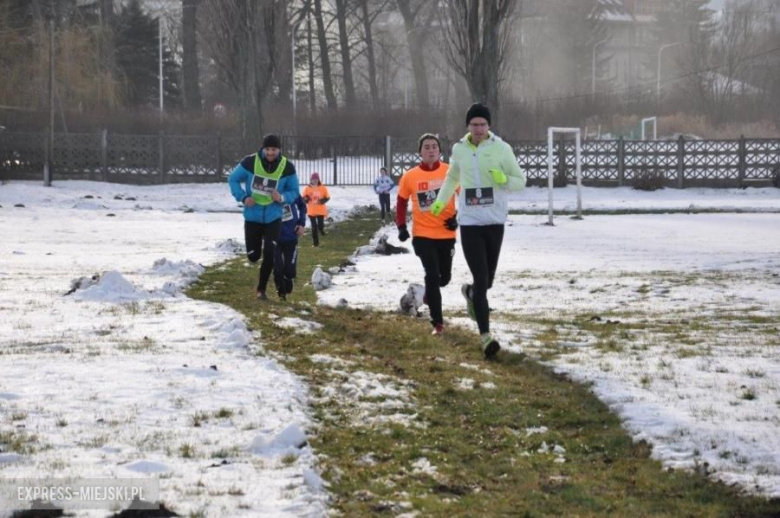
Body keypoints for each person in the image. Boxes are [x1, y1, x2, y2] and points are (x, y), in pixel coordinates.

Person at [430, 103, 526, 359]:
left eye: (483, 124)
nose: (479, 129)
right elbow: (452, 178)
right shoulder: (460, 149)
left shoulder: (502, 149)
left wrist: (504, 180)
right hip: (470, 222)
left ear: (489, 126)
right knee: (482, 277)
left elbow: (520, 180)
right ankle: (486, 337)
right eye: (474, 124)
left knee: (487, 282)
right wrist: (442, 200)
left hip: (494, 221)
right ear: (468, 126)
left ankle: (471, 293)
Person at [396, 133, 458, 335]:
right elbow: (402, 202)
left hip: (446, 234)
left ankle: (429, 294)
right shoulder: (410, 176)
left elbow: (465, 198)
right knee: (432, 275)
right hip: (422, 235)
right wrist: (401, 226)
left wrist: (457, 217)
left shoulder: (450, 172)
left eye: (434, 146)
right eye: (426, 147)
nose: (431, 150)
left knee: (444, 278)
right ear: (419, 152)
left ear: (440, 151)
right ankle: (437, 322)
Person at [228, 134, 300, 300]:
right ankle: (257, 249)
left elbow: (294, 191)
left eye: (273, 149)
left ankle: (261, 290)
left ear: (279, 150)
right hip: (252, 216)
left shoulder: (287, 167)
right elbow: (233, 179)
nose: (270, 153)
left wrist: (281, 198)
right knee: (253, 256)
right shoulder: (249, 162)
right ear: (263, 149)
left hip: (274, 216)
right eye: (267, 149)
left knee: (270, 253)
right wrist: (243, 198)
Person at [274, 195, 307, 301]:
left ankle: (288, 277)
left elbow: (302, 206)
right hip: (273, 237)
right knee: (277, 268)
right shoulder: (268, 189)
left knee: (289, 270)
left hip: (291, 236)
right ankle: (281, 294)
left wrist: (301, 223)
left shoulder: (291, 190)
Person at [303, 172, 330, 247]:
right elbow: (304, 198)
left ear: (318, 180)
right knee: (314, 227)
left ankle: (321, 230)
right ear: (310, 180)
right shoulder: (307, 188)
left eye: (316, 179)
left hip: (320, 210)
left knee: (320, 225)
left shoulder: (322, 188)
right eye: (313, 179)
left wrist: (322, 201)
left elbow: (327, 197)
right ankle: (316, 243)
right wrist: (306, 199)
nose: (314, 181)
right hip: (311, 211)